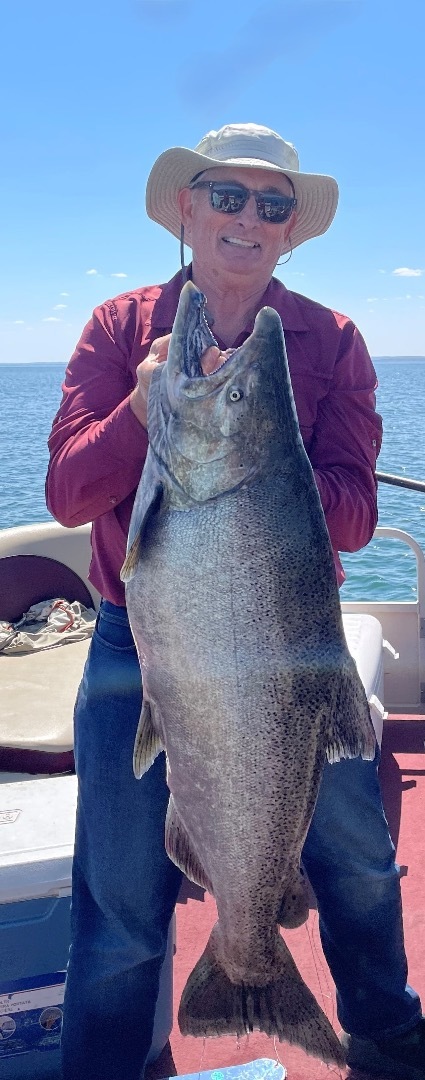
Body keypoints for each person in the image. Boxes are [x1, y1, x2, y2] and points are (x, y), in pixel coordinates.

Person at [46, 122, 424, 1080]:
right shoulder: (115, 328)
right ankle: (110, 1066)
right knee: (121, 903)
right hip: (142, 645)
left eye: (271, 205)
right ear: (186, 207)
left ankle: (386, 1034)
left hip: (295, 646)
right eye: (225, 195)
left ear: (292, 231)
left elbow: (353, 516)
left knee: (361, 867)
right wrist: (141, 410)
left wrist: (268, 462)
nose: (246, 218)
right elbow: (65, 496)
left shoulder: (333, 342)